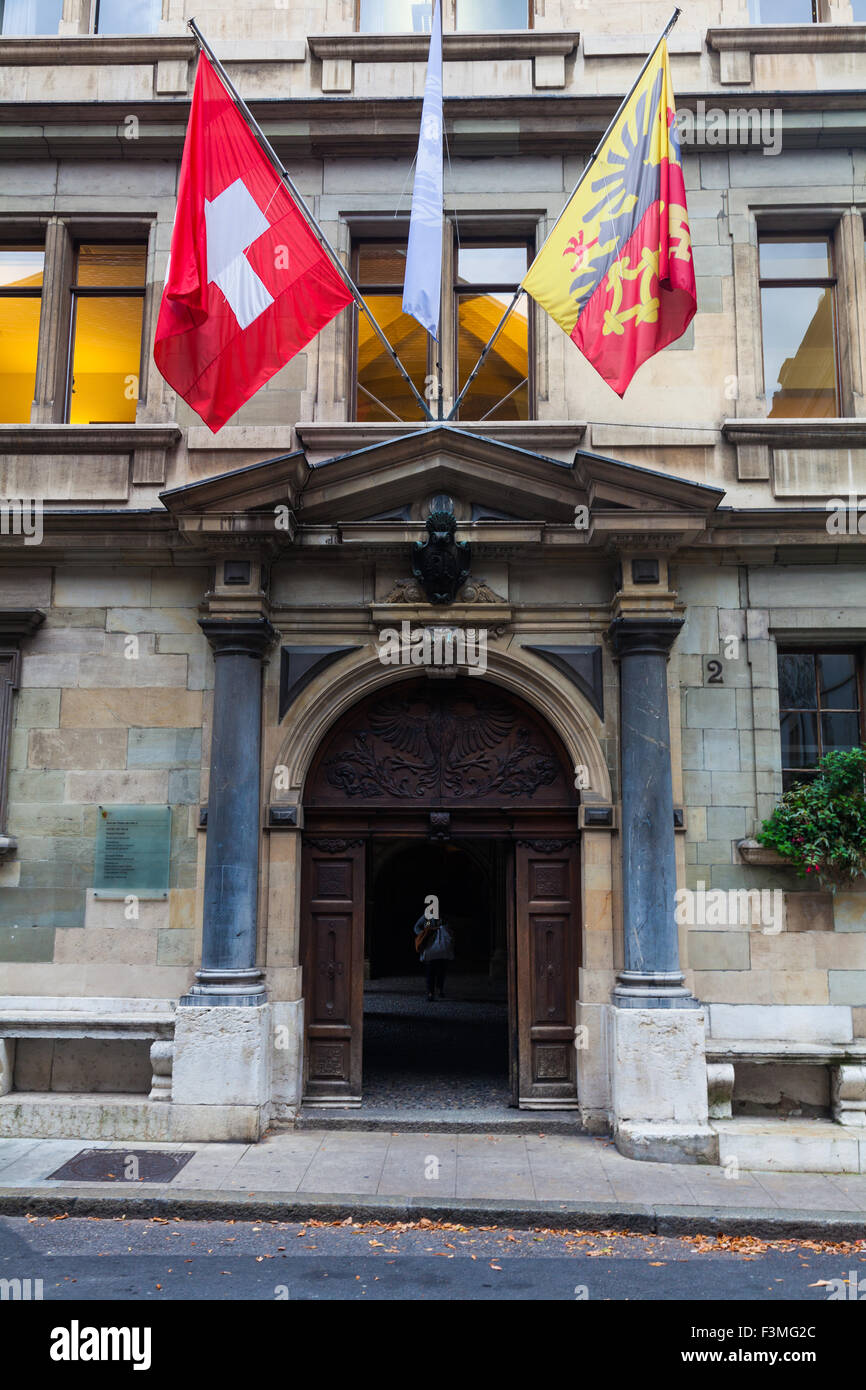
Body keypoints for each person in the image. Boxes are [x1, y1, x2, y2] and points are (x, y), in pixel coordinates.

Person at [413, 905, 455, 1001]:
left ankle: (439, 989)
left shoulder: (443, 918)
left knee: (441, 970)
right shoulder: (427, 918)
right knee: (430, 971)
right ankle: (430, 992)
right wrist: (423, 934)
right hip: (430, 946)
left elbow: (449, 928)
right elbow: (416, 927)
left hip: (442, 947)